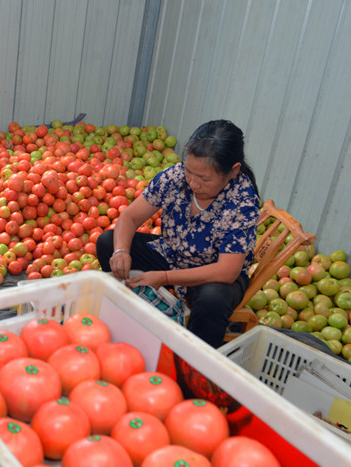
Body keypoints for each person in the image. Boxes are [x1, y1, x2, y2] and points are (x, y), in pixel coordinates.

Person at [95, 119, 260, 348]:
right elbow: (130, 218)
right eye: (190, 171)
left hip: (211, 274)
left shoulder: (243, 200)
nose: (193, 182)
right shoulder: (175, 177)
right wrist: (121, 250)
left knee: (213, 300)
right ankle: (133, 315)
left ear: (233, 171)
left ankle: (190, 362)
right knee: (108, 241)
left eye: (204, 179)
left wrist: (163, 277)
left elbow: (227, 271)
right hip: (172, 255)